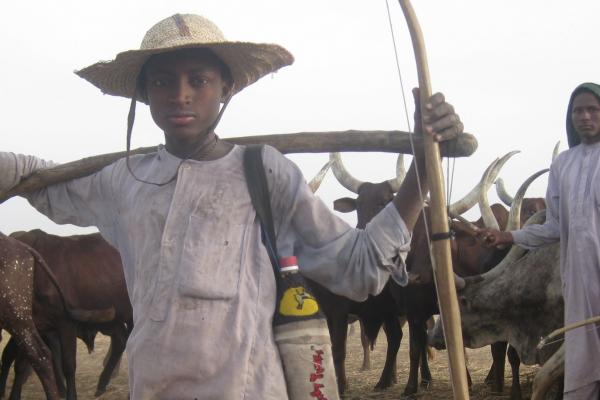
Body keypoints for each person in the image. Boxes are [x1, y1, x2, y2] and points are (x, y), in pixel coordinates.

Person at [0, 14, 465, 399]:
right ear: (144, 95)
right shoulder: (124, 180)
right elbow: (34, 177)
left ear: (226, 88)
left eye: (198, 80)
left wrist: (421, 174)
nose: (180, 94)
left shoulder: (264, 173)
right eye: (162, 81)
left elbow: (359, 268)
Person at [479, 82, 600, 399]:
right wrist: (508, 235)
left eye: (592, 109)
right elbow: (555, 225)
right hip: (578, 281)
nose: (584, 116)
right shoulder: (563, 164)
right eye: (578, 111)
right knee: (583, 356)